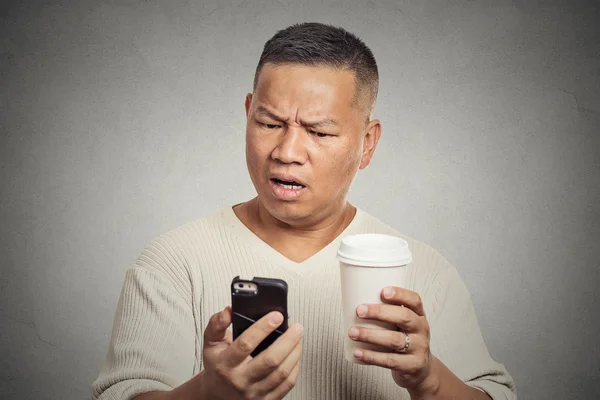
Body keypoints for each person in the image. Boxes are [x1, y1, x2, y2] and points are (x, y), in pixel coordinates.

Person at [92, 22, 516, 400]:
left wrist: (429, 381)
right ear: (247, 115)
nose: (287, 152)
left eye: (319, 131)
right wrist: (207, 394)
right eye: (270, 123)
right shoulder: (173, 262)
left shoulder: (422, 271)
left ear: (367, 143)